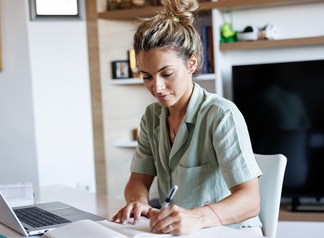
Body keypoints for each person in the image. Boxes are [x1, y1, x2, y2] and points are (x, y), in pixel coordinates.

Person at [110, 0, 263, 236]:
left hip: (228, 231)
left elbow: (250, 200)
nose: (157, 87)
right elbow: (138, 179)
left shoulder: (221, 114)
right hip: (181, 232)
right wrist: (138, 201)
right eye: (147, 76)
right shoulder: (152, 117)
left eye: (167, 74)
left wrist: (197, 218)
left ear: (191, 63)